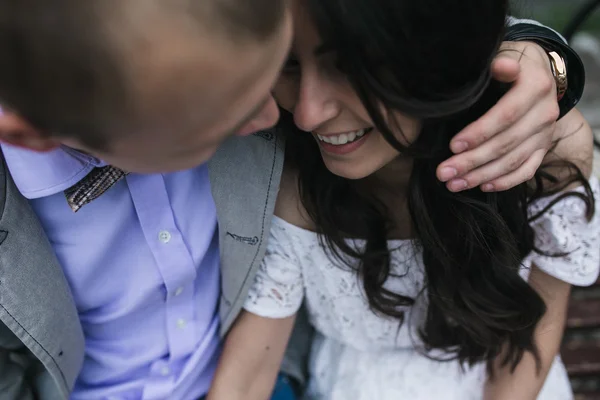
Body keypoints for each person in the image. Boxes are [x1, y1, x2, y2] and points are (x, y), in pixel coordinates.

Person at [0, 0, 588, 399]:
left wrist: (543, 54)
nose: (287, 116)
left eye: (345, 70)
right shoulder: (299, 176)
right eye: (282, 70)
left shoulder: (537, 155)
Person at [207, 0, 599, 399]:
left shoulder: (543, 159)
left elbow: (528, 347)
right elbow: (248, 372)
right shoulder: (291, 185)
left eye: (349, 67)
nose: (308, 114)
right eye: (289, 64)